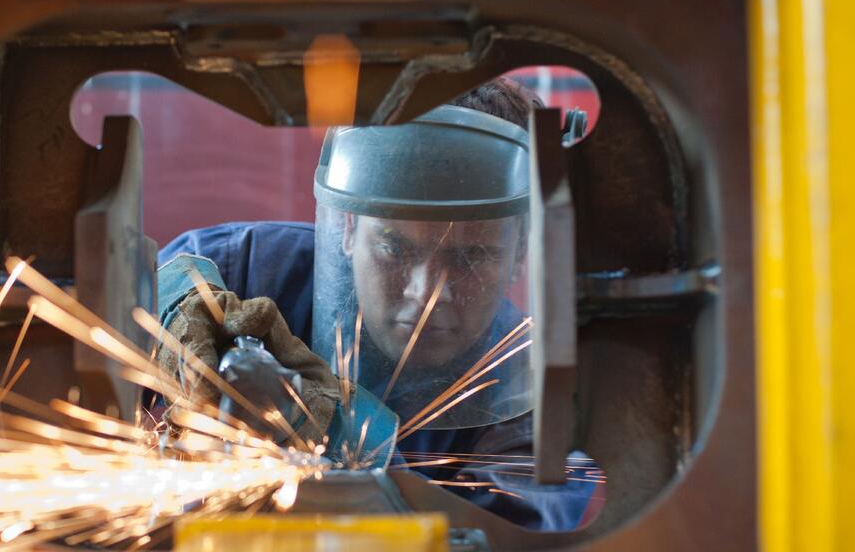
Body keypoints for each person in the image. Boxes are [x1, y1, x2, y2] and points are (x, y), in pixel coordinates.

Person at [153, 78, 598, 531]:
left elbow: (502, 540)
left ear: (521, 252)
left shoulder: (536, 410)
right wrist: (180, 314)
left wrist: (329, 434)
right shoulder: (255, 269)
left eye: (471, 256)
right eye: (395, 249)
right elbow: (159, 276)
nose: (426, 294)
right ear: (347, 228)